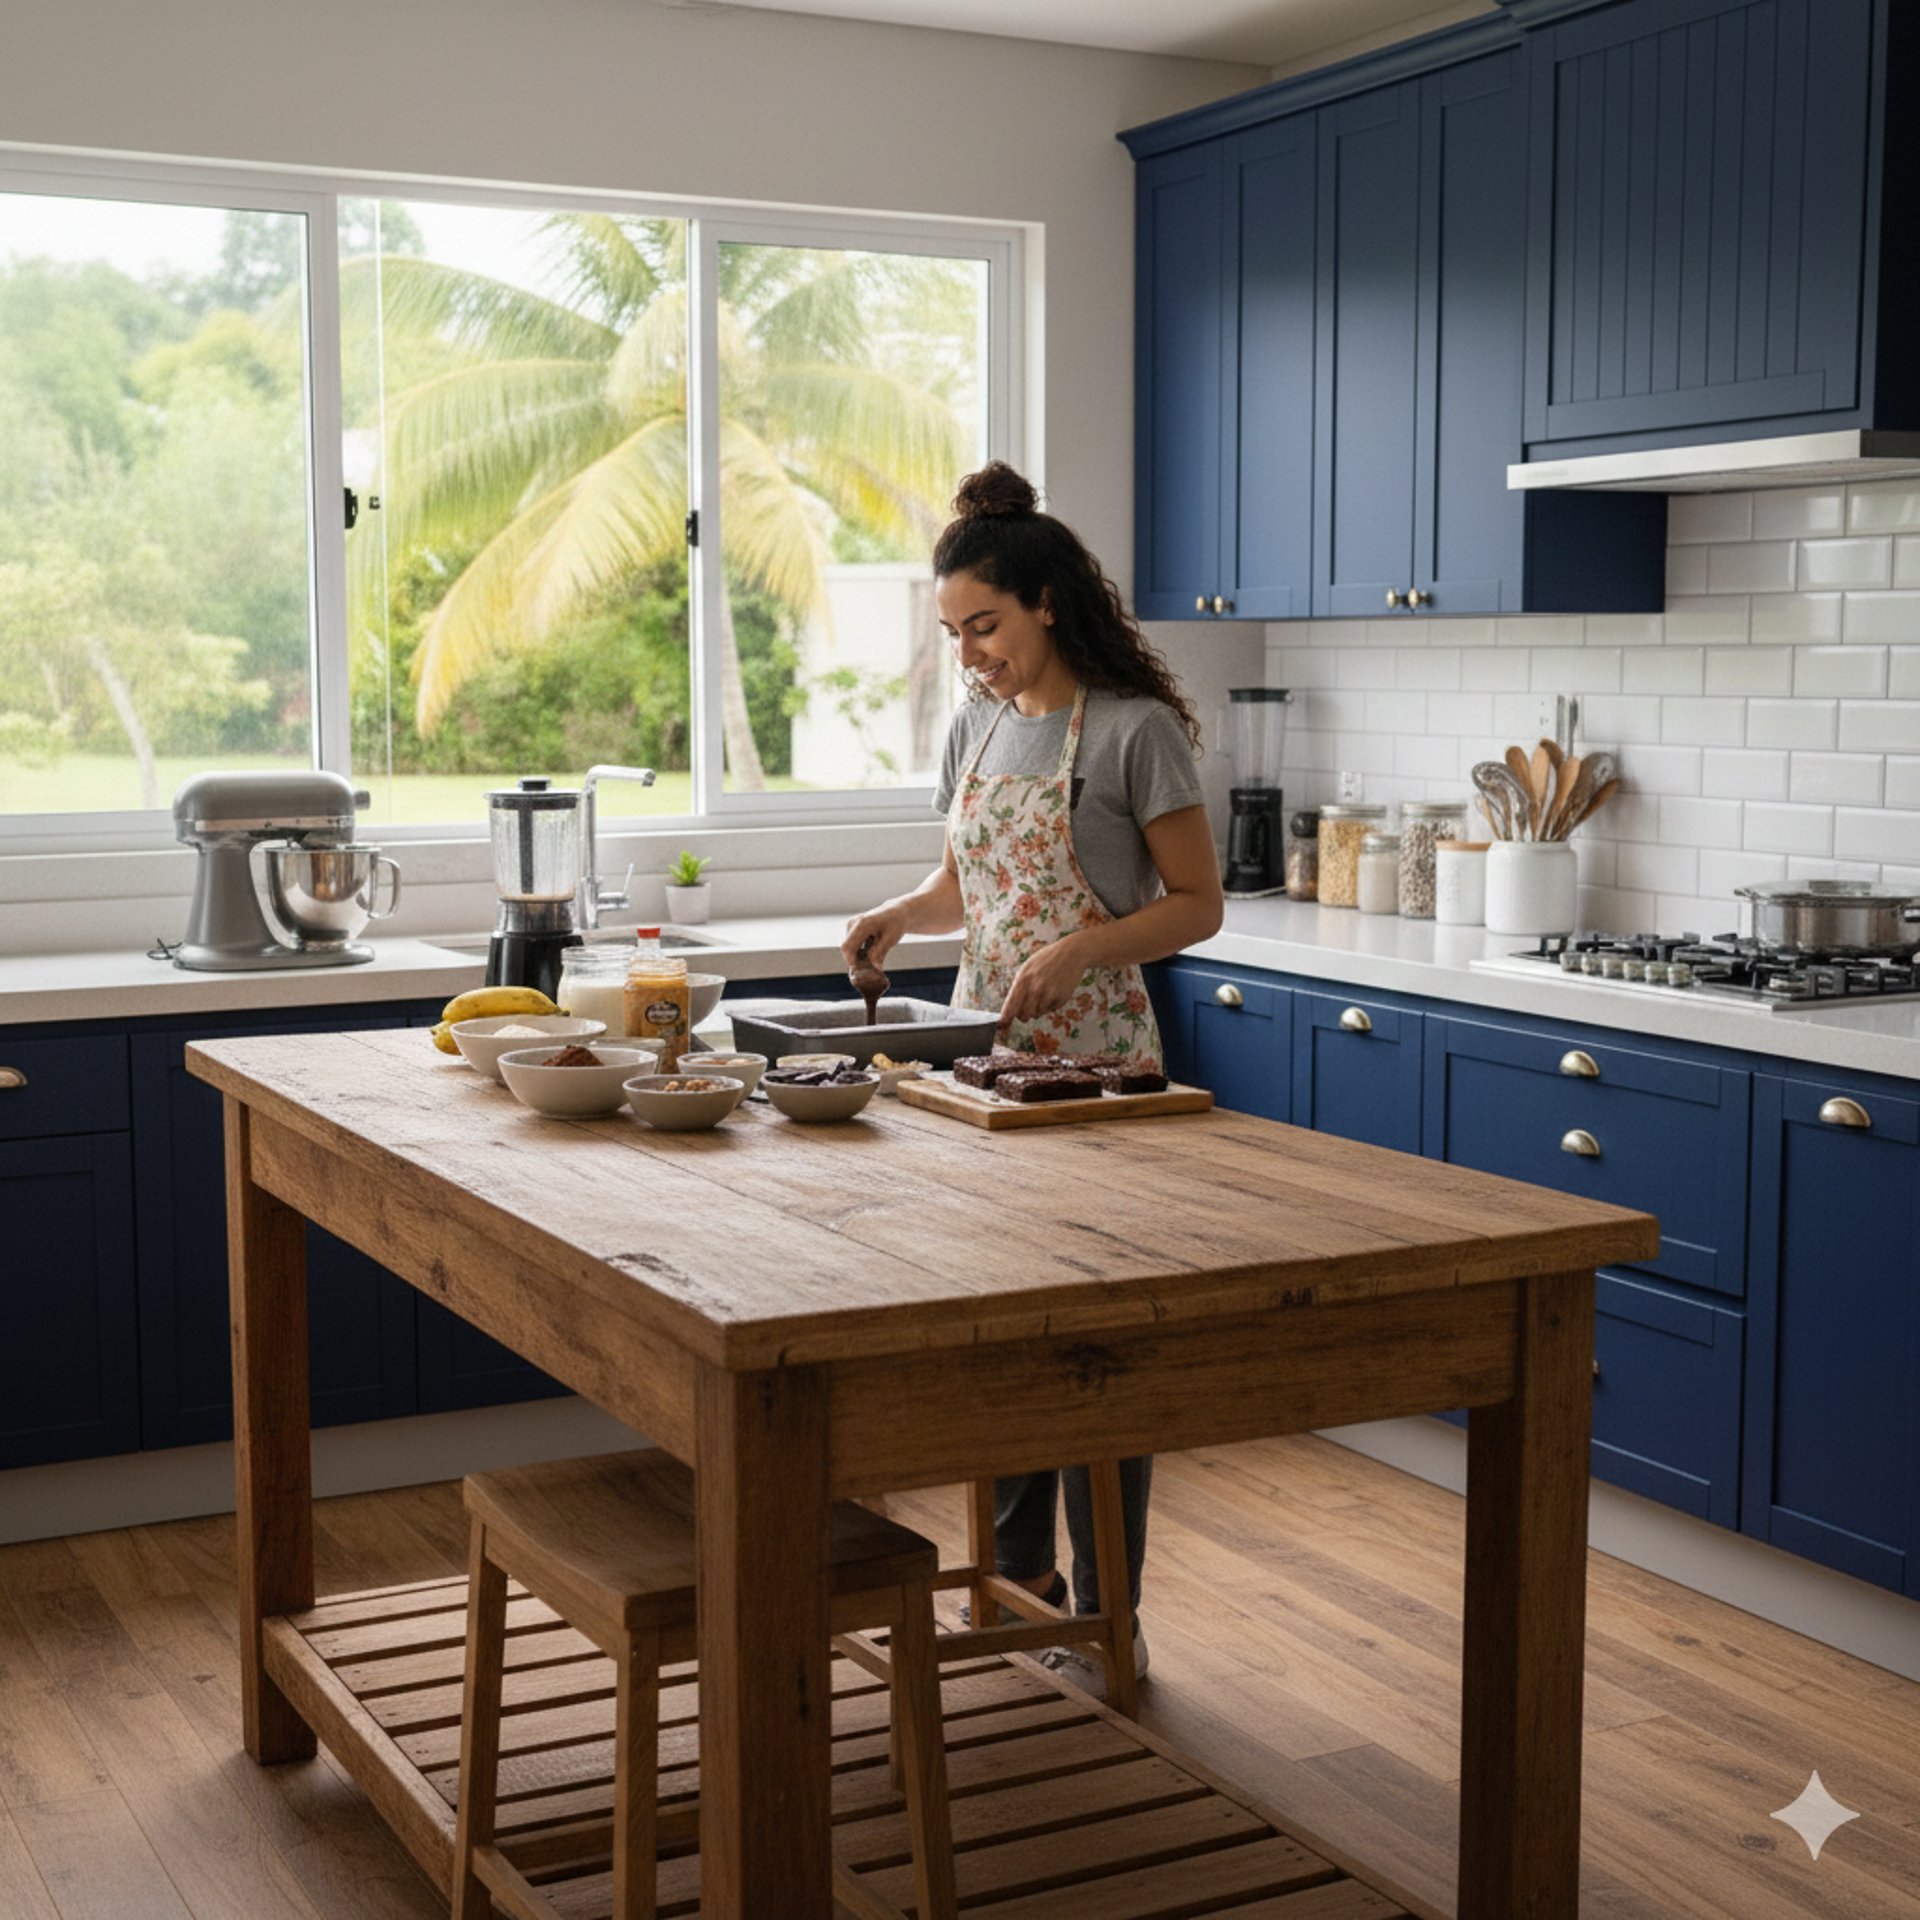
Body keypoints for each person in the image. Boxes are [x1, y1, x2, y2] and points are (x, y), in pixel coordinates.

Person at [841, 460, 1224, 1692]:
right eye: (955, 635)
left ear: (1047, 602)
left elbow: (1197, 907)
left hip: (1106, 1080)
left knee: (1102, 1357)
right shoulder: (981, 725)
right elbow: (971, 886)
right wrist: (903, 910)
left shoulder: (1132, 730)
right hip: (986, 1070)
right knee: (994, 1344)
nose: (971, 656)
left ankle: (1114, 1617)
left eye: (986, 628)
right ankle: (1023, 1589)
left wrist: (1084, 948)